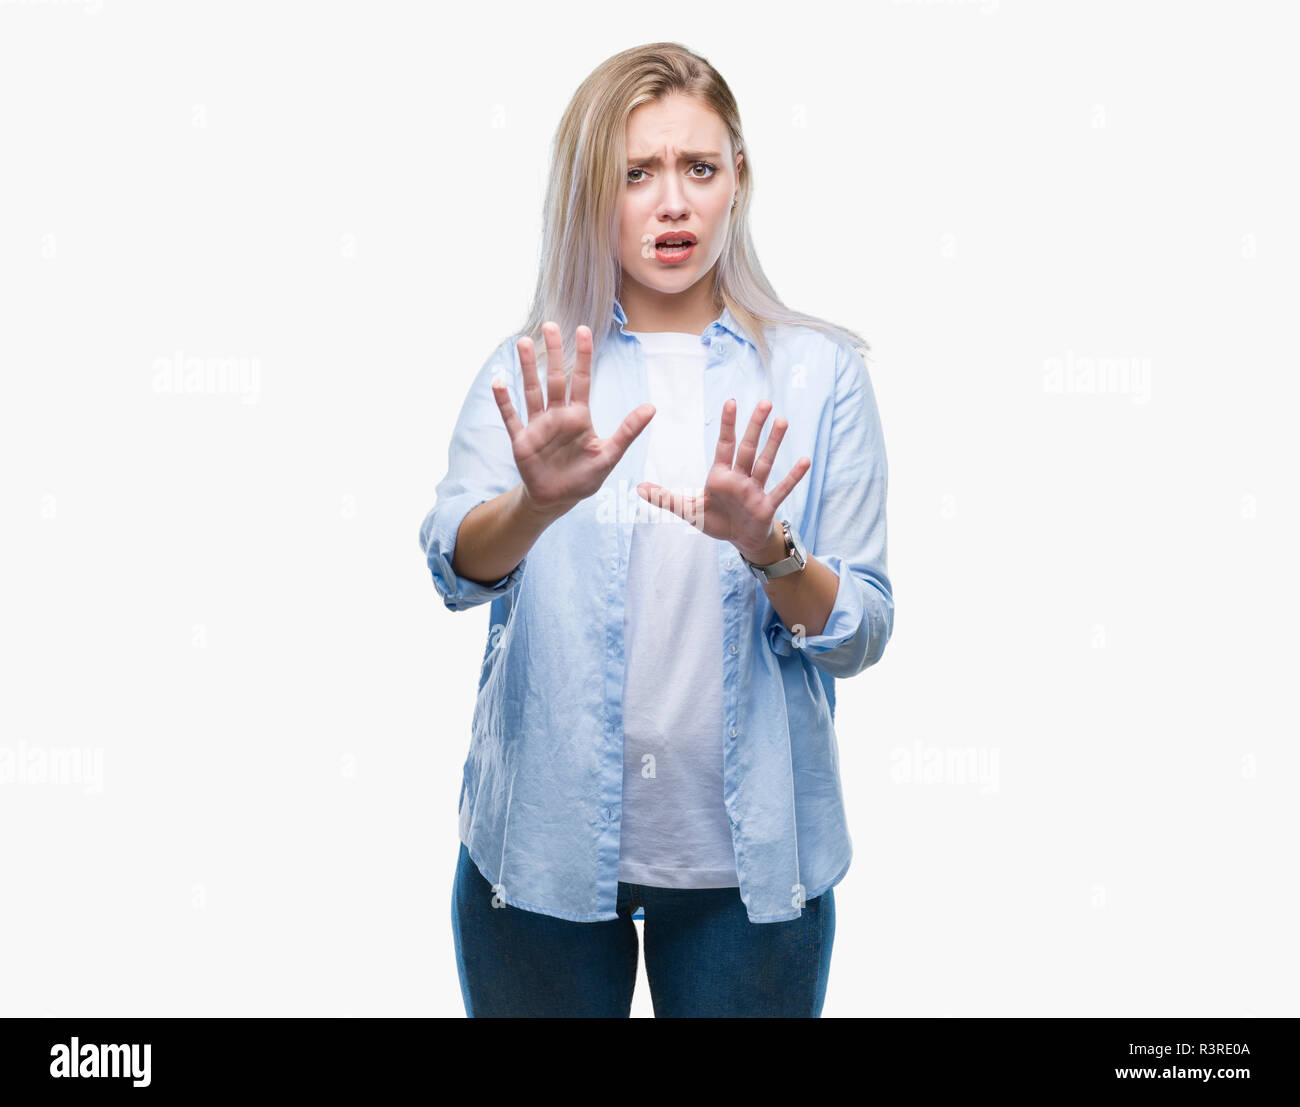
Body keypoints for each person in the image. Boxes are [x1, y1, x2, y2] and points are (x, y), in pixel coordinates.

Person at [419, 42, 894, 1017]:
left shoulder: (820, 375)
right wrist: (536, 504)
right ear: (594, 192)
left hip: (748, 885)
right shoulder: (529, 372)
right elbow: (456, 563)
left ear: (736, 183)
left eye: (698, 168)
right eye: (636, 174)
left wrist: (772, 552)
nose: (672, 203)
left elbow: (861, 631)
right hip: (540, 864)